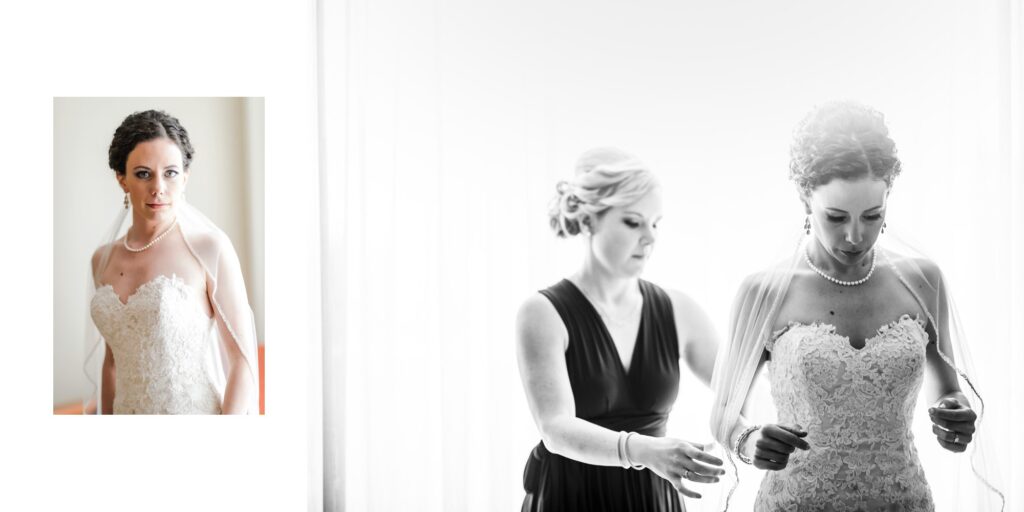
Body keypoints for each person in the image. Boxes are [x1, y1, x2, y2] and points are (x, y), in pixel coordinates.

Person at [709, 101, 1004, 510]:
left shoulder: (923, 279)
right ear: (804, 197)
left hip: (902, 498)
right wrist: (746, 440)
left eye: (872, 215)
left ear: (888, 199)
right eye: (835, 216)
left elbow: (948, 391)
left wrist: (955, 415)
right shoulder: (763, 291)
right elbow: (723, 411)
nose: (854, 236)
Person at [516, 147, 725, 511]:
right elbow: (555, 427)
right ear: (588, 222)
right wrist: (646, 450)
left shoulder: (679, 310)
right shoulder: (542, 313)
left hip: (652, 499)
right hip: (572, 499)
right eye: (633, 222)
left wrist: (753, 434)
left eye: (655, 223)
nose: (650, 238)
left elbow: (739, 388)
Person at [86, 109, 259, 414]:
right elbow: (111, 364)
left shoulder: (210, 249)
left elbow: (242, 362)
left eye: (170, 173)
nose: (158, 188)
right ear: (122, 180)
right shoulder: (102, 259)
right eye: (143, 174)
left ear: (185, 177)